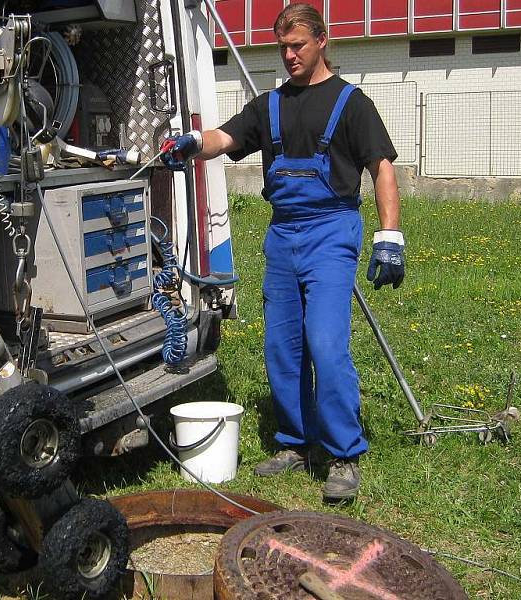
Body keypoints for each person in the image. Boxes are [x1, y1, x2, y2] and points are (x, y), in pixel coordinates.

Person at [160, 4, 404, 502]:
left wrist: (390, 236)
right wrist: (190, 142)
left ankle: (343, 452)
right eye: (283, 48)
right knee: (282, 347)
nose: (290, 56)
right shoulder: (270, 104)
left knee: (327, 343)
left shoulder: (352, 103)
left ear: (322, 41)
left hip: (332, 233)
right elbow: (225, 137)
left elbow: (380, 167)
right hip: (283, 235)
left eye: (298, 46)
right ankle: (297, 442)